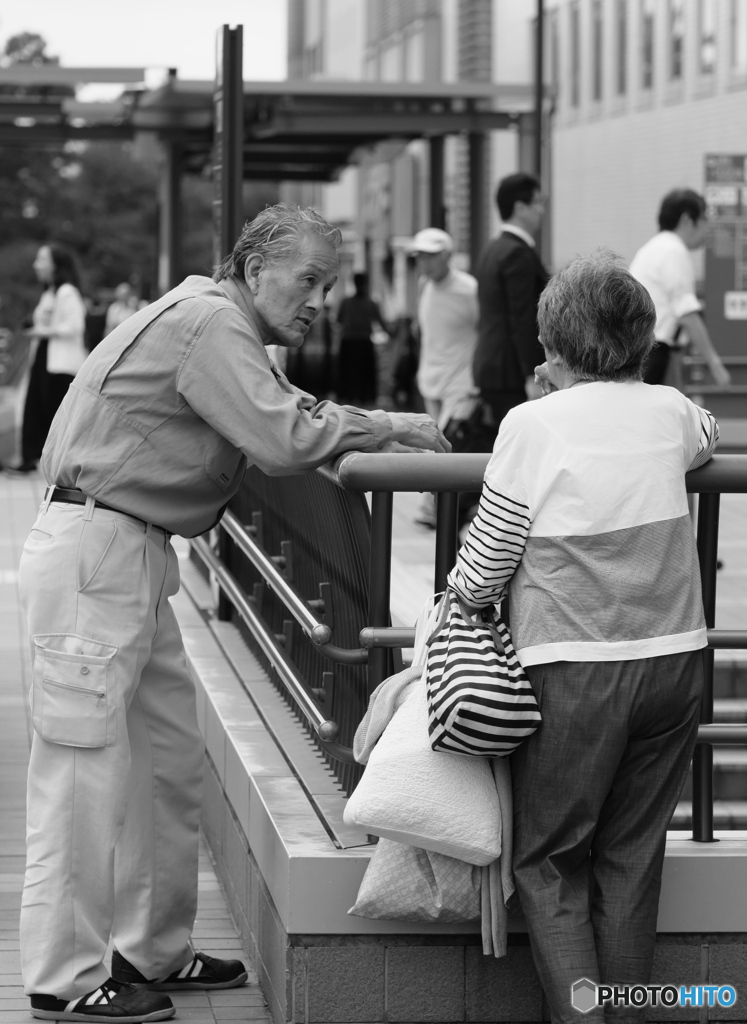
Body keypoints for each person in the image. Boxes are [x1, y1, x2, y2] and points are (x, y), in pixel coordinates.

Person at [18, 204, 449, 1024]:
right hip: (99, 552)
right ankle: (63, 980)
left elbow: (287, 415)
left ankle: (154, 949)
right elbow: (286, 438)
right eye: (309, 279)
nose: (321, 298)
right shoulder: (211, 324)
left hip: (122, 552)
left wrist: (357, 430)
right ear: (254, 270)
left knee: (165, 760)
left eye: (332, 283)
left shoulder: (212, 321)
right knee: (80, 774)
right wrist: (389, 425)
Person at [447, 251, 717, 1024]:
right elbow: (703, 429)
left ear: (552, 347)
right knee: (630, 858)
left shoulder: (531, 423)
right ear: (639, 339)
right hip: (673, 660)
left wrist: (459, 597)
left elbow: (490, 558)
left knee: (550, 860)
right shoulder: (669, 408)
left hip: (572, 668)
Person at [472, 172, 551, 435]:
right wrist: (532, 374)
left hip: (492, 367)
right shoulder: (518, 253)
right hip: (511, 373)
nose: (542, 210)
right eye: (537, 202)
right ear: (520, 207)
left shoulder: (493, 248)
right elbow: (523, 318)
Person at [411, 227, 479, 528]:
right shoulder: (425, 285)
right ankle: (437, 507)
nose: (424, 263)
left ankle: (439, 508)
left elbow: (483, 329)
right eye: (420, 257)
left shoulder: (469, 288)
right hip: (430, 378)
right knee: (431, 443)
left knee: (448, 443)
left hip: (459, 381)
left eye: (430, 256)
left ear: (447, 256)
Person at [630, 188, 731, 389]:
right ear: (687, 220)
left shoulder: (652, 248)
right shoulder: (674, 251)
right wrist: (715, 364)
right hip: (655, 352)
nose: (707, 227)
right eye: (704, 219)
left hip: (638, 349)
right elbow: (687, 314)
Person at [5, 243, 87, 475]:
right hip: (46, 357)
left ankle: (59, 465)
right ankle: (31, 459)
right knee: (35, 408)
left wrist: (43, 331)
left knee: (54, 414)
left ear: (56, 265)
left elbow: (75, 325)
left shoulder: (66, 292)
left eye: (42, 260)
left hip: (59, 363)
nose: (36, 265)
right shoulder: (50, 292)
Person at [335, 272, 388, 406]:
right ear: (365, 284)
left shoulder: (346, 302)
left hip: (349, 342)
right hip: (363, 343)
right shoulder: (370, 303)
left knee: (349, 373)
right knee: (364, 375)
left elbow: (338, 321)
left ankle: (349, 398)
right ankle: (363, 399)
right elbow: (381, 324)